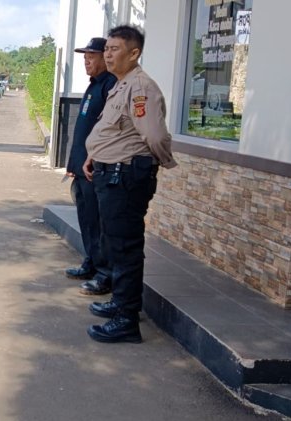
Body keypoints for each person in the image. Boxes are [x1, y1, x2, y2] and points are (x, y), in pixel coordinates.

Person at [83, 25, 177, 343]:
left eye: (115, 49)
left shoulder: (140, 88)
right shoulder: (121, 85)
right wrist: (94, 153)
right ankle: (121, 303)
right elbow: (116, 132)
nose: (108, 54)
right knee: (115, 243)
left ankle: (126, 320)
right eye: (106, 48)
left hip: (125, 178)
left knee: (125, 248)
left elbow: (154, 135)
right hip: (110, 174)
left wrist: (160, 161)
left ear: (134, 53)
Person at [63, 37, 117, 299]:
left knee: (98, 223)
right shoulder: (93, 86)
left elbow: (108, 131)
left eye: (91, 56)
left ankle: (105, 274)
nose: (86, 60)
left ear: (105, 57)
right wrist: (73, 165)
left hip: (95, 169)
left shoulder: (110, 86)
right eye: (84, 56)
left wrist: (93, 160)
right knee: (86, 220)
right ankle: (91, 263)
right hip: (81, 170)